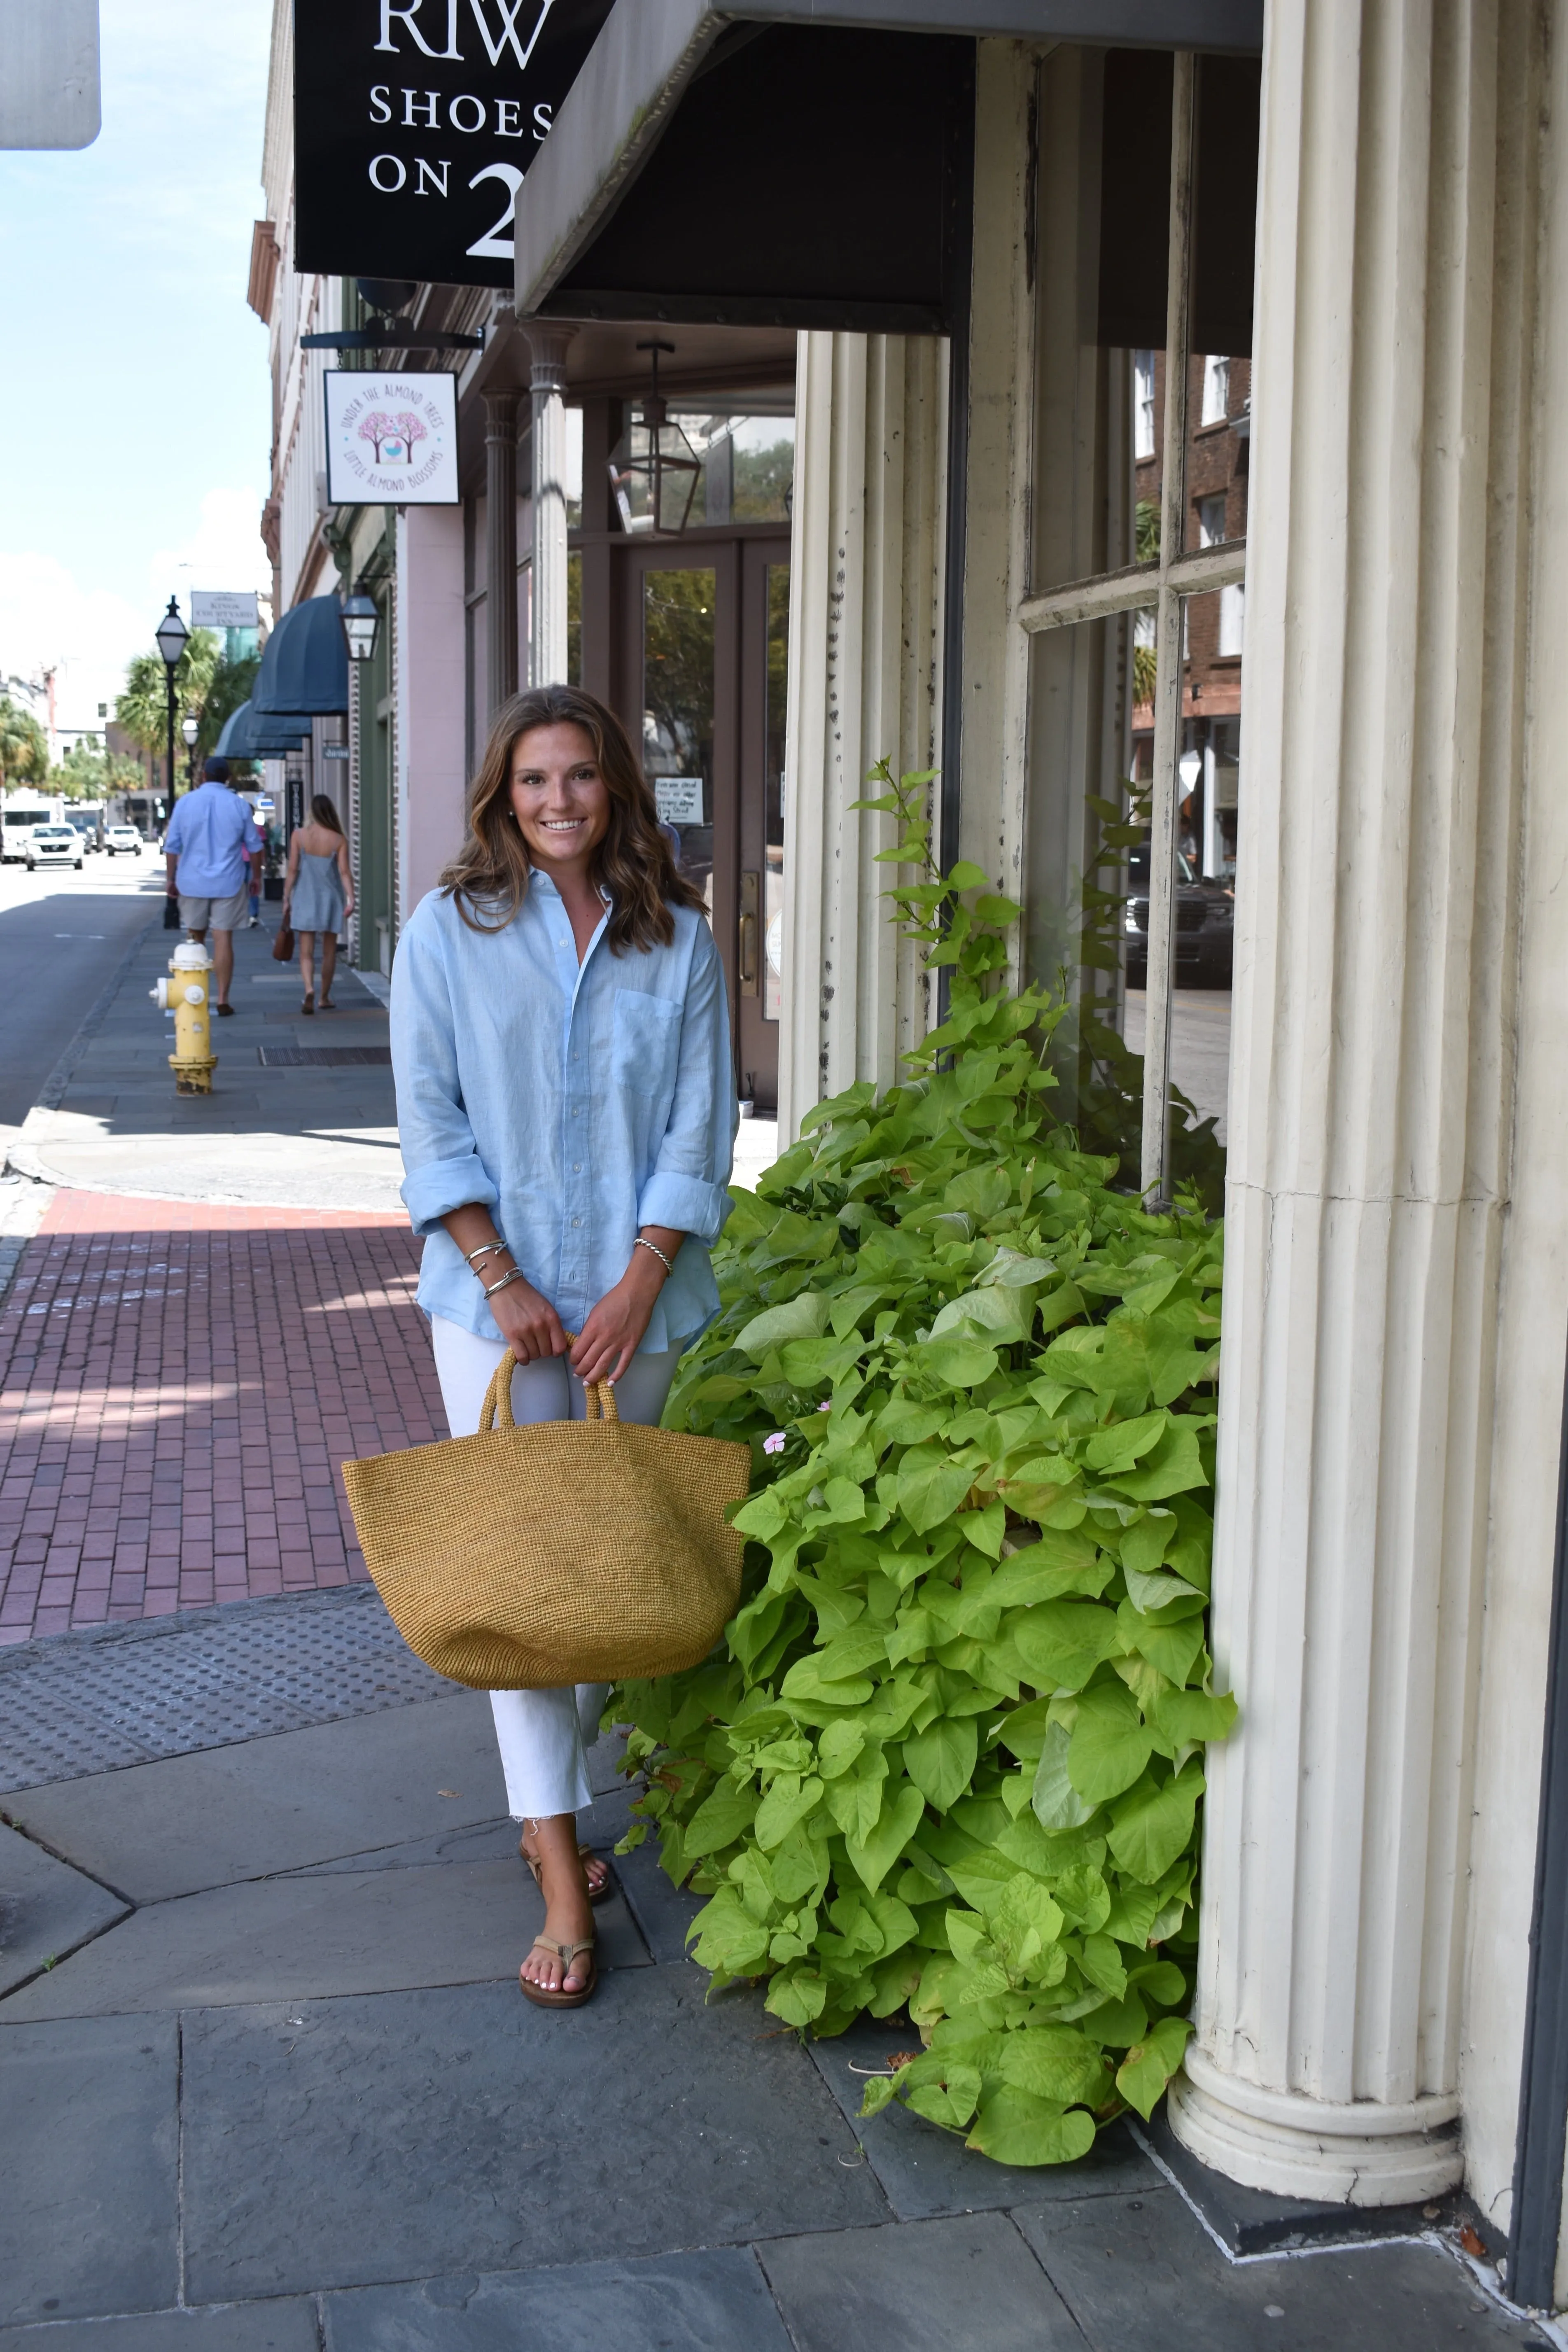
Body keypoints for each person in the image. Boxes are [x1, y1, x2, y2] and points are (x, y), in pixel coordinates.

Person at [391, 683, 735, 2010]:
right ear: (500, 794)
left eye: (581, 777)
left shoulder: (677, 939)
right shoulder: (449, 930)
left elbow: (696, 1125)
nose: (558, 803)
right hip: (495, 1310)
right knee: (527, 1587)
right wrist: (500, 1272)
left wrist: (642, 1277)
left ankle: (551, 1802)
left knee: (603, 1574)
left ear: (617, 790)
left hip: (634, 1308)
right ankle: (555, 1868)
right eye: (533, 781)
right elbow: (430, 1116)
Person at [162, 756, 265, 1015]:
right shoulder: (239, 806)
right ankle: (222, 999)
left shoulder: (185, 803)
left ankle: (197, 994)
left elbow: (172, 846)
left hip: (192, 881)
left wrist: (171, 879)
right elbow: (255, 847)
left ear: (204, 776)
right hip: (228, 881)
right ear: (227, 778)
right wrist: (256, 877)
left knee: (195, 939)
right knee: (223, 938)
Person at [282, 795, 354, 1013]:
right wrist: (351, 898)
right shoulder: (338, 839)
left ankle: (309, 989)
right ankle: (324, 997)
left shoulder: (299, 836)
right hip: (331, 899)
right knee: (329, 952)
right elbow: (344, 872)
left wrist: (286, 897)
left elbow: (293, 869)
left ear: (311, 813)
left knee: (306, 951)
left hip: (305, 897)